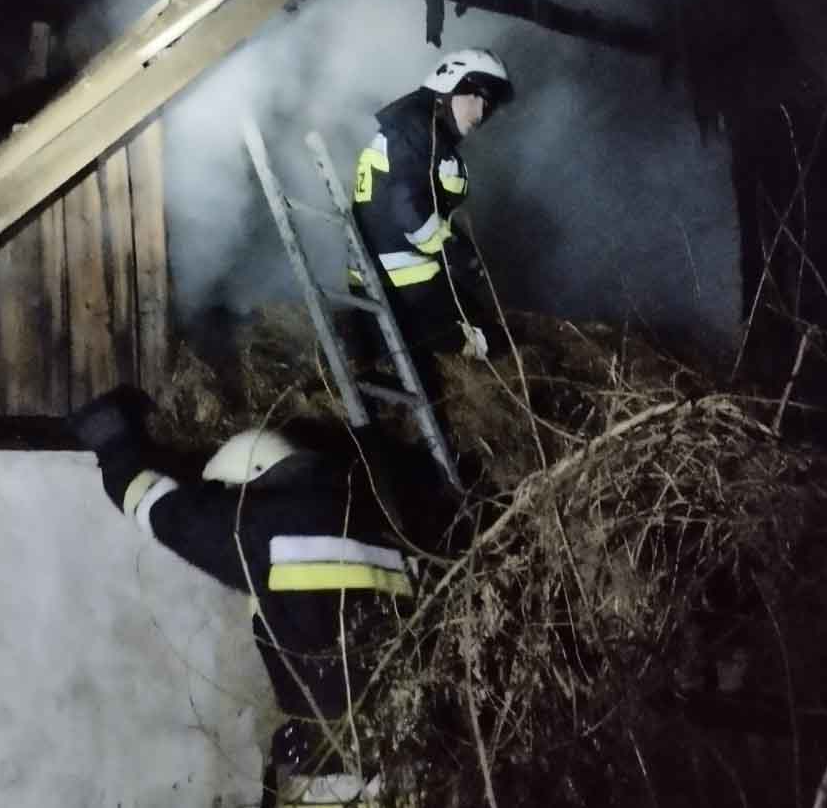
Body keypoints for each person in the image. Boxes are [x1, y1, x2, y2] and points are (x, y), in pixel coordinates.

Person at [70, 386, 412, 807]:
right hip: (402, 749)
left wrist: (111, 443)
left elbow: (170, 515)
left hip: (337, 769)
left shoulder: (267, 530)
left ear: (250, 484)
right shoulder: (368, 521)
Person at [349, 48, 514, 368]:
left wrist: (458, 246)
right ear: (448, 85)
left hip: (398, 275)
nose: (482, 111)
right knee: (489, 342)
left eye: (489, 103)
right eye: (477, 96)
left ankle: (386, 344)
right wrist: (452, 248)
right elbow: (407, 208)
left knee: (486, 330)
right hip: (401, 281)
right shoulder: (414, 132)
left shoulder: (418, 131)